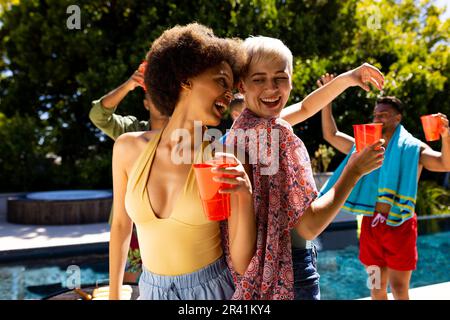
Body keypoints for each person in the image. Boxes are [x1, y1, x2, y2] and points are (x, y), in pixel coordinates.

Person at [222, 36, 386, 300]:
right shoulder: (278, 136)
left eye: (280, 78)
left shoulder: (242, 129)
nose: (272, 88)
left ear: (291, 79)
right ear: (241, 84)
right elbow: (310, 227)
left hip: (255, 276)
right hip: (292, 273)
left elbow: (307, 107)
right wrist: (354, 171)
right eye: (259, 79)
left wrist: (347, 78)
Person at [109, 23, 256, 300]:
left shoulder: (225, 158)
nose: (229, 94)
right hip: (149, 290)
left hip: (211, 293)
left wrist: (245, 195)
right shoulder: (127, 149)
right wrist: (115, 296)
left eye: (232, 88)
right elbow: (120, 225)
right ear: (186, 79)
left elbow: (241, 263)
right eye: (221, 81)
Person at [319, 73, 450, 300]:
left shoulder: (412, 148)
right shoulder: (365, 146)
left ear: (397, 118)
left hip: (400, 225)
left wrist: (446, 136)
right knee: (376, 289)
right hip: (371, 225)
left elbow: (444, 163)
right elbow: (331, 135)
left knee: (400, 290)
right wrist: (327, 98)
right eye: (376, 114)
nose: (377, 118)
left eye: (384, 115)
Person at [90, 64, 169, 284]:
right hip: (132, 225)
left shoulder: (184, 135)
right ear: (146, 103)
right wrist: (129, 85)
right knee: (131, 285)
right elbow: (99, 116)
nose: (162, 100)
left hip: (168, 226)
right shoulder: (131, 131)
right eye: (156, 95)